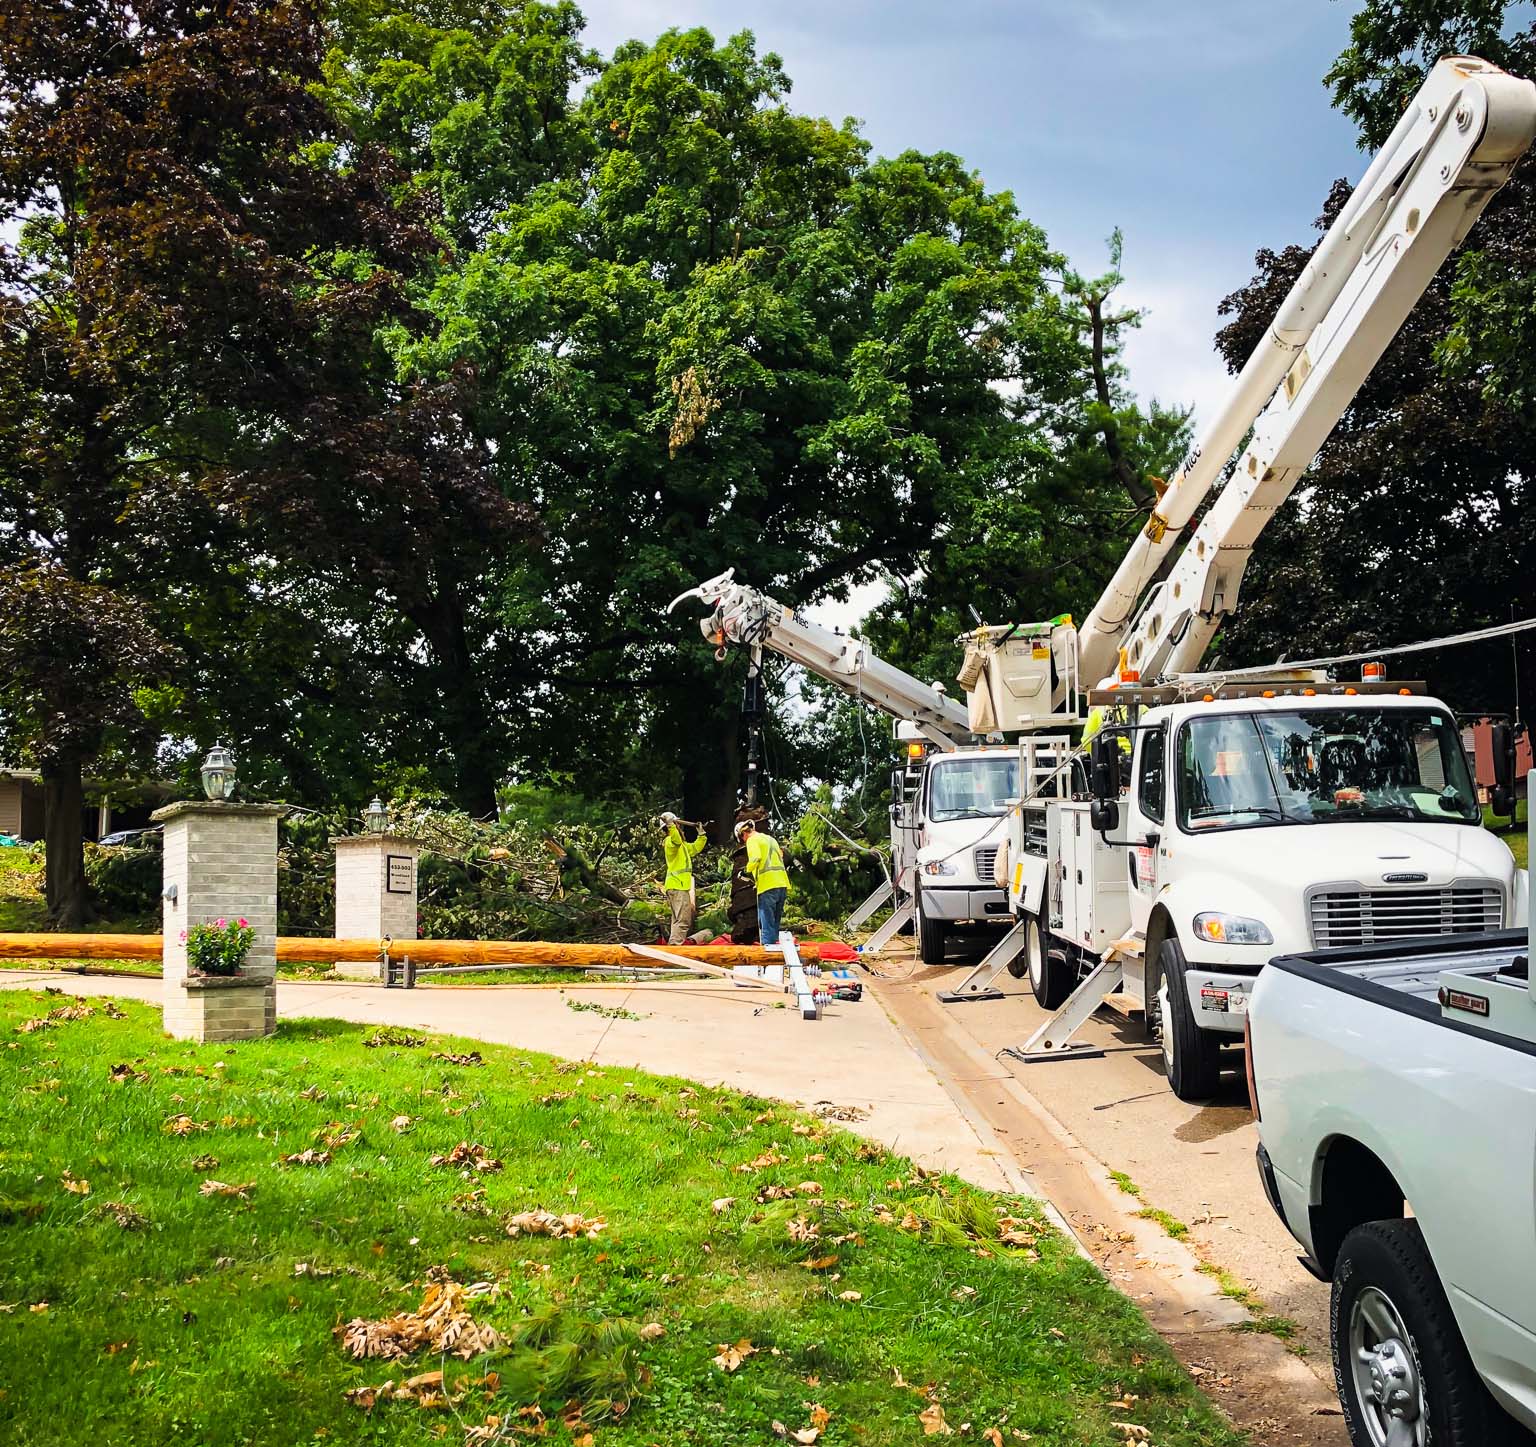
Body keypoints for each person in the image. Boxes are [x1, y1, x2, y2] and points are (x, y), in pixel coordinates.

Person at [735, 818, 790, 948]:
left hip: (767, 885)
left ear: (743, 834)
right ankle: (776, 953)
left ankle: (767, 955)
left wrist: (746, 871)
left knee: (766, 923)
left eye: (742, 838)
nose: (744, 841)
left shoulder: (752, 840)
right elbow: (779, 858)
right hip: (781, 884)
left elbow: (756, 858)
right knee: (774, 923)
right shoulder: (770, 839)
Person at [659, 812, 707, 946]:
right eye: (677, 825)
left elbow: (696, 848)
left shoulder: (682, 846)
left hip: (678, 886)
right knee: (683, 920)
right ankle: (675, 949)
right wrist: (671, 825)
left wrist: (701, 835)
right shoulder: (670, 842)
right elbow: (676, 840)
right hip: (677, 886)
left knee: (677, 920)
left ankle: (673, 948)